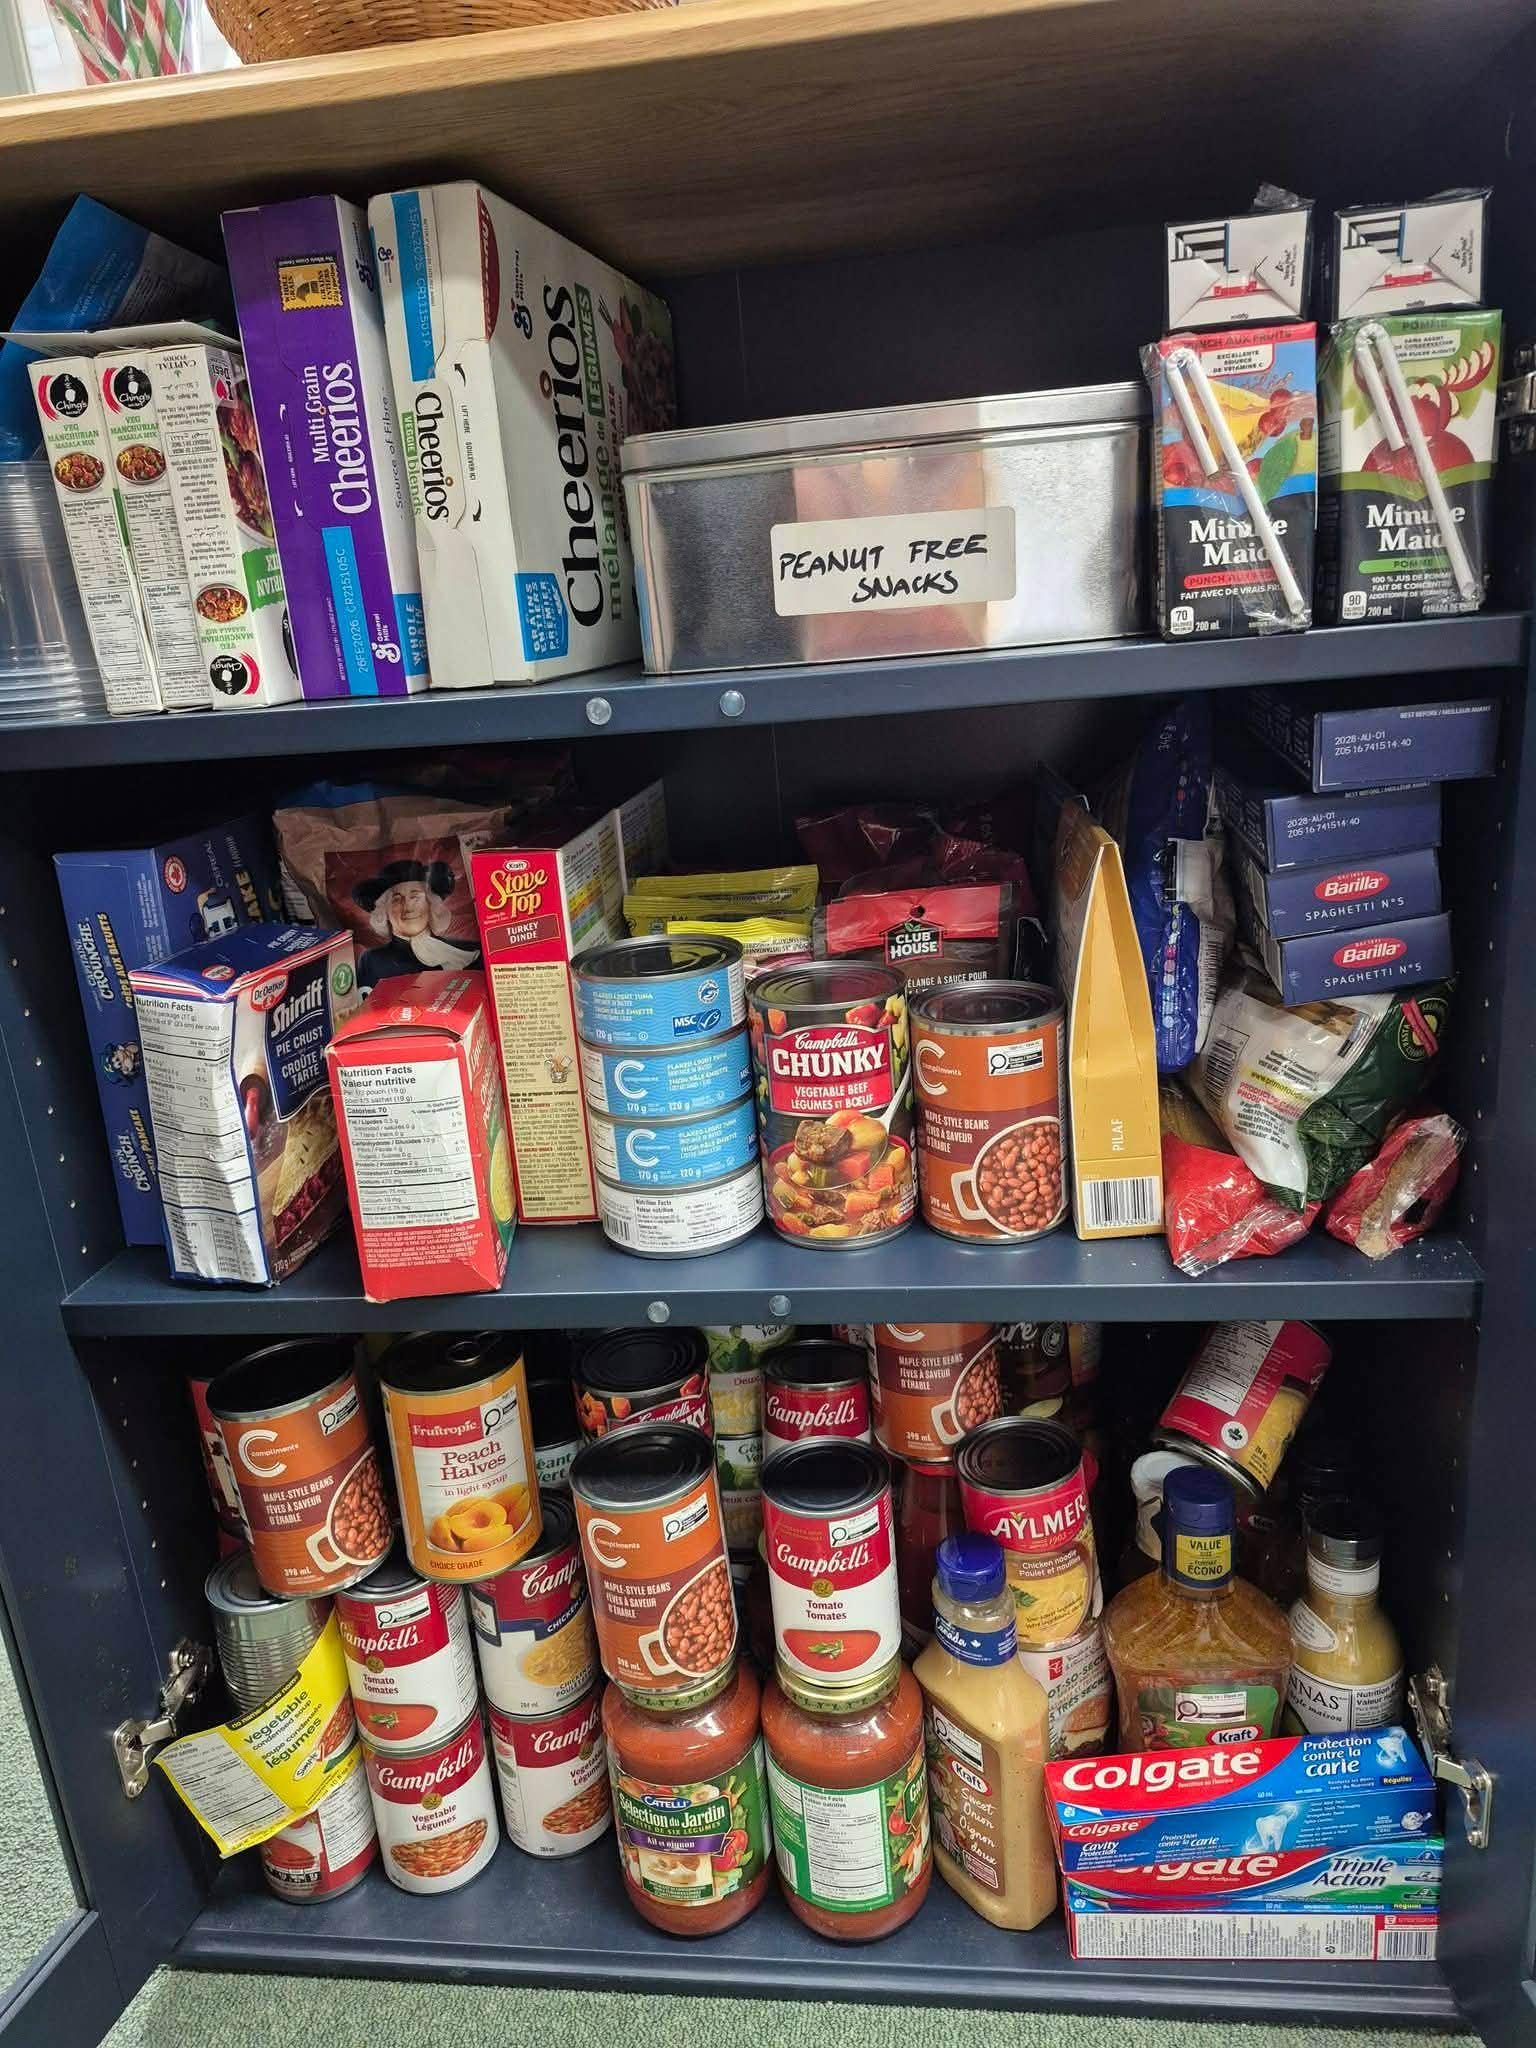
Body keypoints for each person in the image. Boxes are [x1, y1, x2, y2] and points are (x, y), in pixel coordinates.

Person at [351, 858, 479, 990]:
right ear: (384, 912)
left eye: (415, 897)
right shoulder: (373, 960)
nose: (408, 907)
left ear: (430, 903)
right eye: (396, 900)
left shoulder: (468, 951)